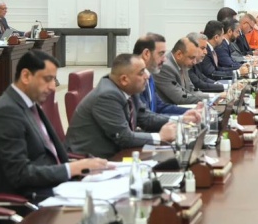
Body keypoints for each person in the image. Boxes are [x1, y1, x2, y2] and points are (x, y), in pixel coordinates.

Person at [0, 50, 108, 200]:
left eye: (54, 80)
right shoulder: (7, 112)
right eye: (48, 79)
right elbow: (19, 174)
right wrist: (71, 169)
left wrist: (82, 165)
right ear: (26, 76)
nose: (53, 87)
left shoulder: (30, 104)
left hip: (57, 186)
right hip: (33, 199)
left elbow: (49, 154)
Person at [66, 54, 199, 159]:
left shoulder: (129, 89)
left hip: (117, 152)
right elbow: (124, 137)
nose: (147, 76)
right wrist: (160, 137)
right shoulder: (107, 96)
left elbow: (145, 118)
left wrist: (181, 119)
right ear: (124, 79)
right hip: (93, 159)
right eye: (141, 73)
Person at [133, 33, 191, 115]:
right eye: (161, 54)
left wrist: (191, 111)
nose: (165, 59)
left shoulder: (149, 76)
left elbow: (160, 107)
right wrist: (180, 119)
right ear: (146, 54)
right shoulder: (134, 80)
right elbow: (145, 117)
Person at [153, 37, 211, 105]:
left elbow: (191, 90)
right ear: (179, 54)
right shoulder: (165, 67)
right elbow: (181, 98)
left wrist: (211, 97)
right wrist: (209, 99)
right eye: (192, 58)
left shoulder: (183, 64)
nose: (194, 62)